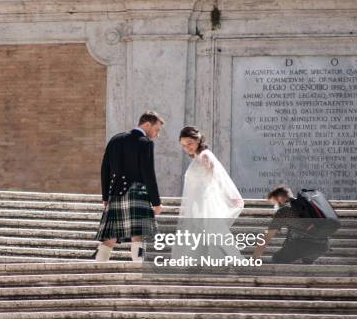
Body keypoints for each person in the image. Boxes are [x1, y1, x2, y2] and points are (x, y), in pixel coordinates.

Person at [92, 111, 164, 262]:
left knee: (110, 236)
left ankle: (98, 266)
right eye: (157, 130)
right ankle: (138, 266)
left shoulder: (115, 139)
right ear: (147, 124)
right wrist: (156, 202)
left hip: (115, 194)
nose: (157, 134)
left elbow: (105, 169)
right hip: (137, 193)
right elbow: (148, 174)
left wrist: (106, 196)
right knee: (139, 235)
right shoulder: (145, 143)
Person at [175, 126, 245, 260]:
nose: (187, 147)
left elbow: (217, 177)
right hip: (199, 204)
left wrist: (229, 196)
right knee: (211, 234)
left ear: (198, 139)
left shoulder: (204, 156)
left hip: (206, 202)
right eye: (184, 145)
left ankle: (239, 263)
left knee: (218, 232)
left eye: (189, 143)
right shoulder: (197, 158)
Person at [253, 185, 330, 264]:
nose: (275, 205)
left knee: (277, 258)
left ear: (280, 198)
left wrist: (255, 257)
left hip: (303, 244)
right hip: (323, 245)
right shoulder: (307, 204)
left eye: (274, 201)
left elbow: (268, 236)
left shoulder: (283, 211)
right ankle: (307, 262)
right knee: (304, 254)